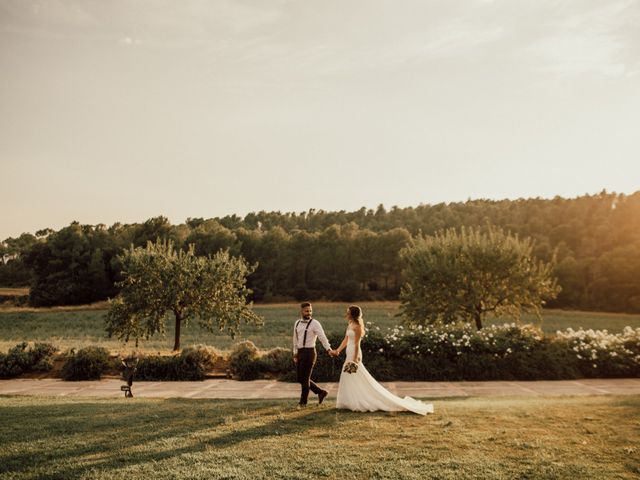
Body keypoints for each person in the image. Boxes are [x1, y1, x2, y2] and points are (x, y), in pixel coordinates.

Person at [333, 305, 434, 415]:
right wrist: (338, 350)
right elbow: (346, 339)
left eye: (348, 313)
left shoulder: (357, 326)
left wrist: (354, 360)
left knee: (355, 376)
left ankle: (358, 401)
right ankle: (348, 402)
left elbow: (357, 344)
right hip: (349, 352)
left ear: (352, 314)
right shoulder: (350, 324)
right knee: (349, 377)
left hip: (354, 354)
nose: (346, 314)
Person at [292, 302, 335, 407]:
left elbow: (322, 337)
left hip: (309, 352)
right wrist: (295, 353)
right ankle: (321, 392)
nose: (309, 313)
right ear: (302, 311)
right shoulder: (297, 323)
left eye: (310, 311)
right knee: (300, 378)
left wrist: (328, 349)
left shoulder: (315, 323)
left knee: (305, 379)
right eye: (307, 311)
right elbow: (295, 339)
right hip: (300, 352)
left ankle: (303, 403)